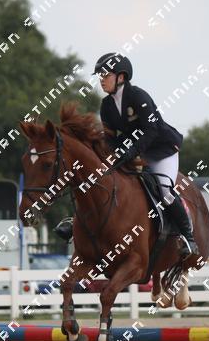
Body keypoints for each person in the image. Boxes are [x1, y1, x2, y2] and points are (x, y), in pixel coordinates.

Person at [54, 52, 198, 257]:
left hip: (161, 150)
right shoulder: (107, 105)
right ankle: (77, 222)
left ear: (121, 77)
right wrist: (109, 155)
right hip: (133, 151)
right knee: (100, 179)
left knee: (165, 190)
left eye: (106, 75)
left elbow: (151, 130)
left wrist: (129, 152)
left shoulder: (138, 96)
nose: (101, 80)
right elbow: (111, 137)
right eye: (100, 76)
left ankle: (188, 238)